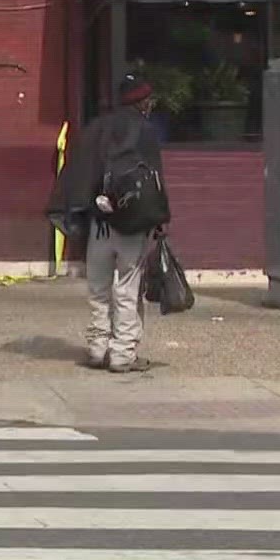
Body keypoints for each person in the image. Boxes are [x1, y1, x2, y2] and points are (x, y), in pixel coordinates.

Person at [48, 73, 169, 374]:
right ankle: (122, 353)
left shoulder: (97, 128)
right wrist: (159, 219)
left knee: (98, 289)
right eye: (149, 99)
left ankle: (97, 347)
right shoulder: (145, 131)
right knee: (127, 288)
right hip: (132, 223)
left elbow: (79, 175)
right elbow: (154, 180)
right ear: (142, 102)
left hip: (98, 225)